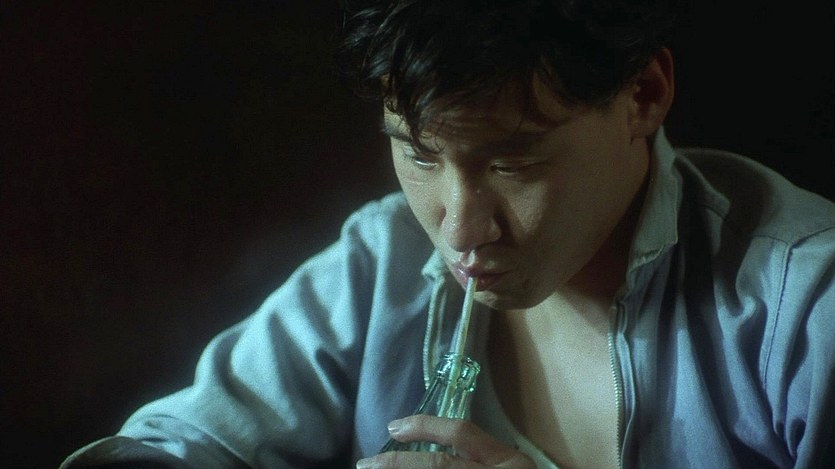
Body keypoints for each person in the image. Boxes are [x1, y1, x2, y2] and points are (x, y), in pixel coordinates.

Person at [62, 0, 835, 468]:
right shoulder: (382, 263)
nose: (459, 228)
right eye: (419, 154)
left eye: (513, 161)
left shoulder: (804, 309)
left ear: (643, 93)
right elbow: (179, 440)